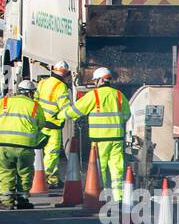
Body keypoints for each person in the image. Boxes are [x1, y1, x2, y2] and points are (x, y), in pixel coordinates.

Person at [0, 79, 50, 210]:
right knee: (25, 173)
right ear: (31, 94)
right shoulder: (35, 106)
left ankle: (6, 201)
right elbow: (41, 124)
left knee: (5, 172)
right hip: (25, 147)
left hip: (3, 145)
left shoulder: (4, 102)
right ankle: (22, 199)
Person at [71, 66, 130, 200]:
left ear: (100, 81)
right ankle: (118, 196)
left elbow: (76, 110)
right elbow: (126, 115)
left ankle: (101, 196)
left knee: (99, 167)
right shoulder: (119, 95)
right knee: (117, 168)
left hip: (99, 139)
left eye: (95, 81)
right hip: (116, 138)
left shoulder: (94, 95)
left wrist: (60, 115)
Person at [36, 61, 78, 191]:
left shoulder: (42, 82)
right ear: (65, 73)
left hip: (40, 122)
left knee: (39, 151)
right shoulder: (61, 87)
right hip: (53, 124)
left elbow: (36, 100)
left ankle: (45, 177)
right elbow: (65, 107)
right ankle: (48, 178)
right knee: (52, 153)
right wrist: (76, 116)